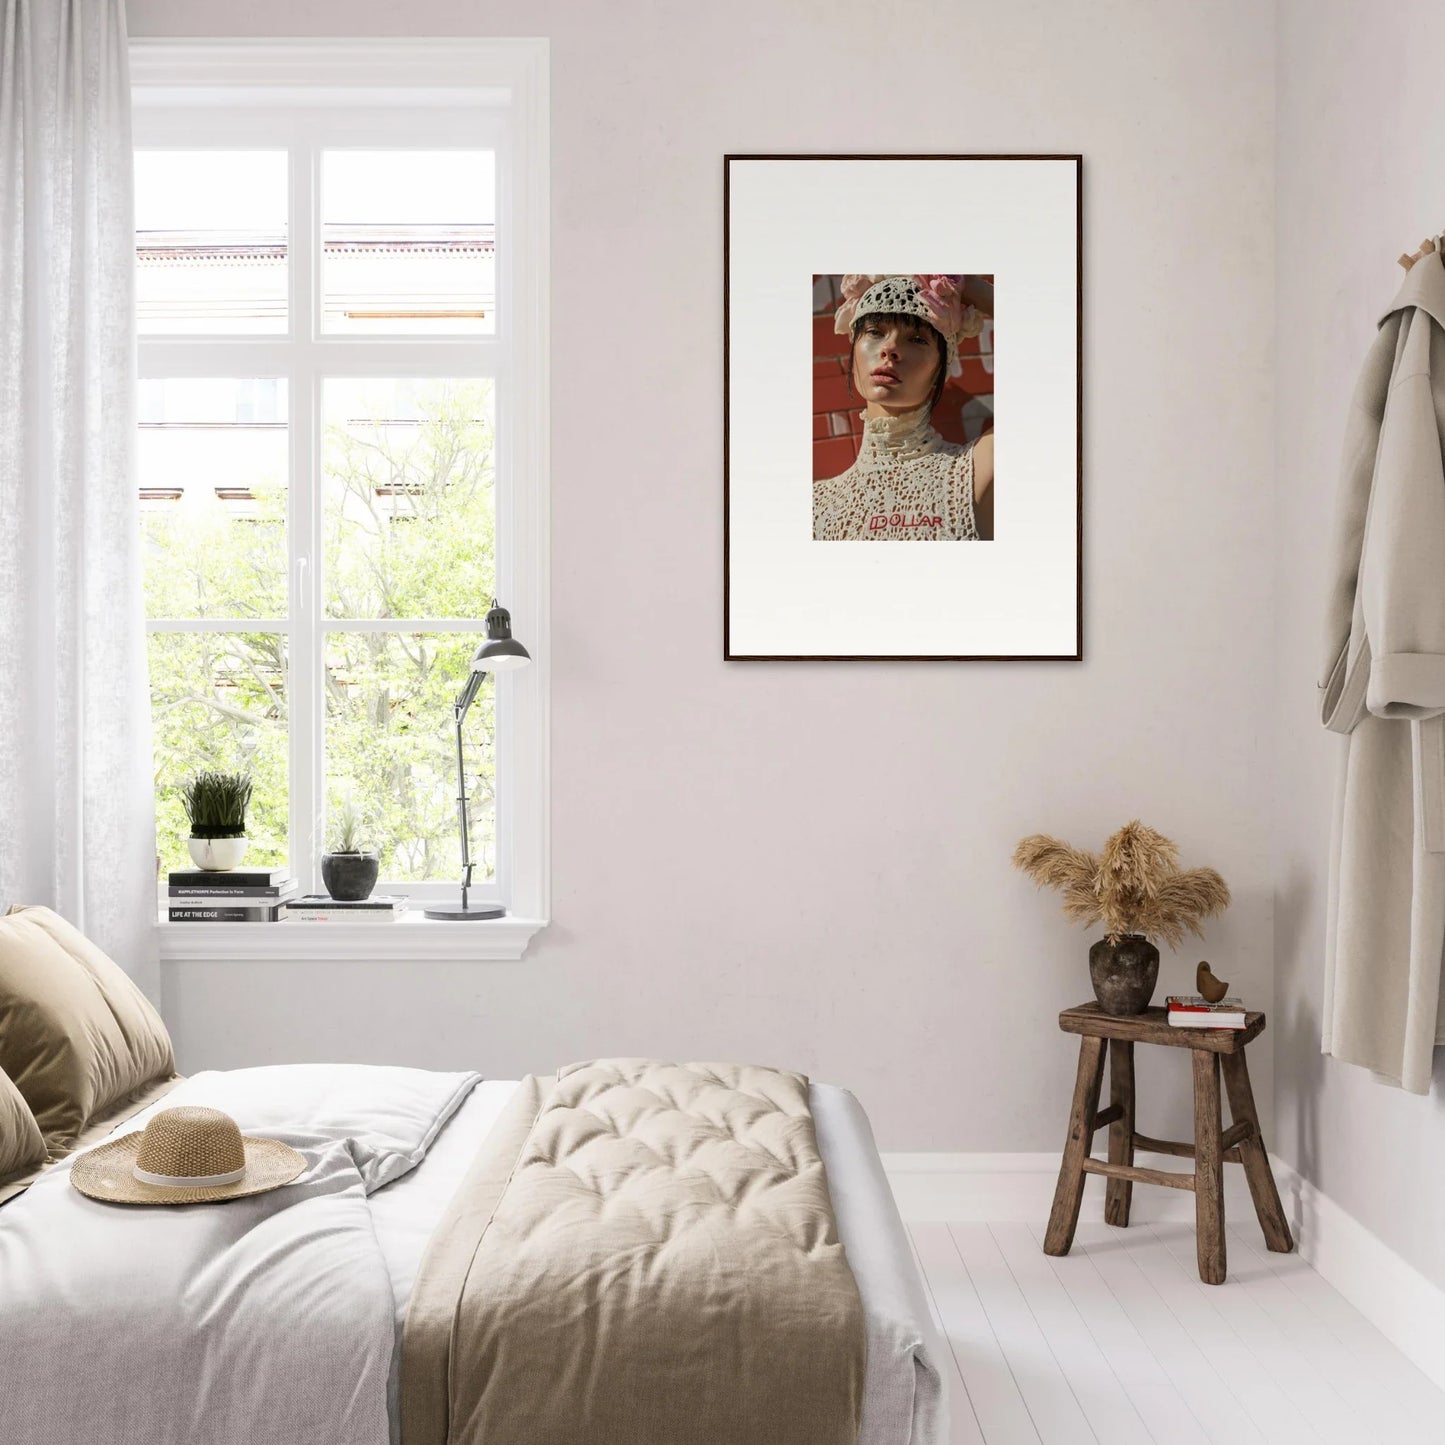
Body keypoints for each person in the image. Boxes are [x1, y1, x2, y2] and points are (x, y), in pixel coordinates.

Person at [813, 274, 994, 541]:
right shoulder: (817, 505)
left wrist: (965, 284)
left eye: (918, 339)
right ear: (853, 355)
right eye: (875, 332)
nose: (890, 348)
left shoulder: (974, 471)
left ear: (940, 370)